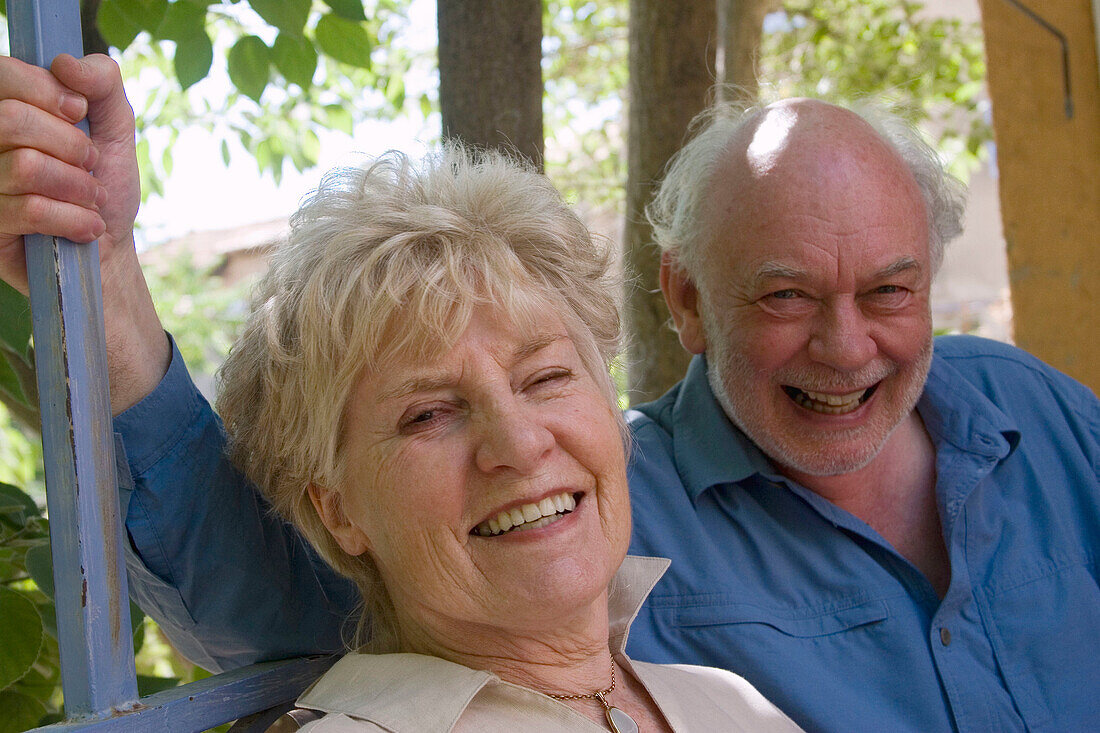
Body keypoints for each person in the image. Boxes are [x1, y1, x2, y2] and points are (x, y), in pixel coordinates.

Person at [2, 52, 1098, 732]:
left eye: (889, 287)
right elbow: (281, 576)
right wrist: (100, 278)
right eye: (783, 295)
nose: (845, 344)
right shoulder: (598, 511)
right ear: (684, 298)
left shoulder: (1031, 411)